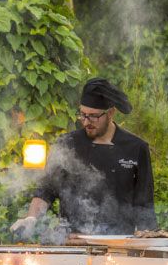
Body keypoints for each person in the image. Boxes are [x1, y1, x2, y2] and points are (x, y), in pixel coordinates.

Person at [11, 77, 157, 237]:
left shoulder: (136, 148)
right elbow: (46, 190)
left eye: (93, 116)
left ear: (111, 113)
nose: (86, 121)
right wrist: (31, 218)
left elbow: (144, 205)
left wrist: (146, 244)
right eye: (83, 114)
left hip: (118, 243)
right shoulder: (66, 144)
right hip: (72, 241)